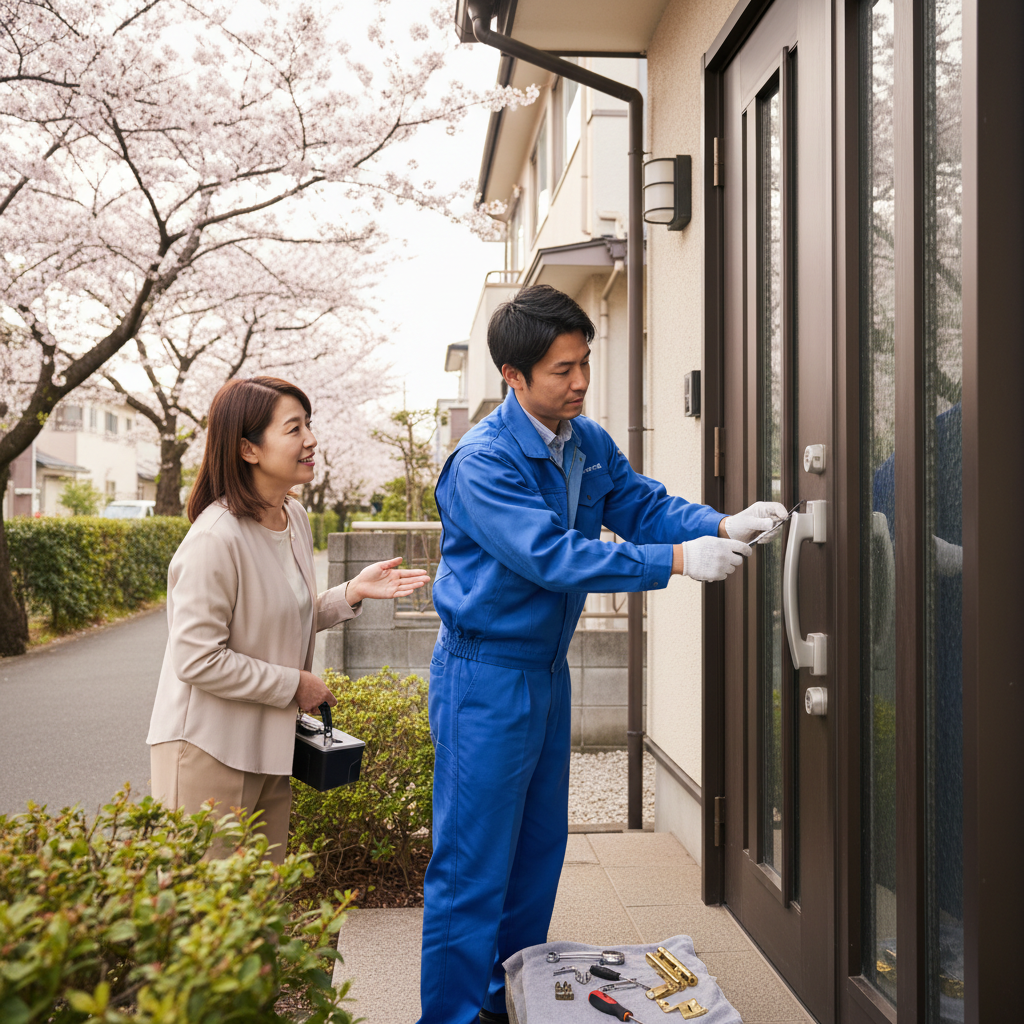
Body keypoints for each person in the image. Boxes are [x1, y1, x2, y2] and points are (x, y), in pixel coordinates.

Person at [417, 285, 787, 1024]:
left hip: (545, 676)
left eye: (585, 362)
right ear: (513, 376)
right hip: (482, 677)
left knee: (535, 859)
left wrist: (722, 520)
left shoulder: (584, 441)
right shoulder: (481, 463)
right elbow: (551, 557)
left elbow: (642, 505)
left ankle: (506, 1001)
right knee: (470, 870)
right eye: (562, 369)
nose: (580, 381)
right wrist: (679, 561)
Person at [147, 376, 429, 862]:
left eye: (309, 425)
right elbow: (195, 659)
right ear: (248, 449)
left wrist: (351, 593)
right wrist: (293, 684)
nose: (311, 440)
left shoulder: (291, 517)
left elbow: (276, 618)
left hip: (270, 747)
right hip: (206, 751)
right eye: (294, 428)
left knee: (259, 915)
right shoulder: (215, 538)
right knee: (207, 923)